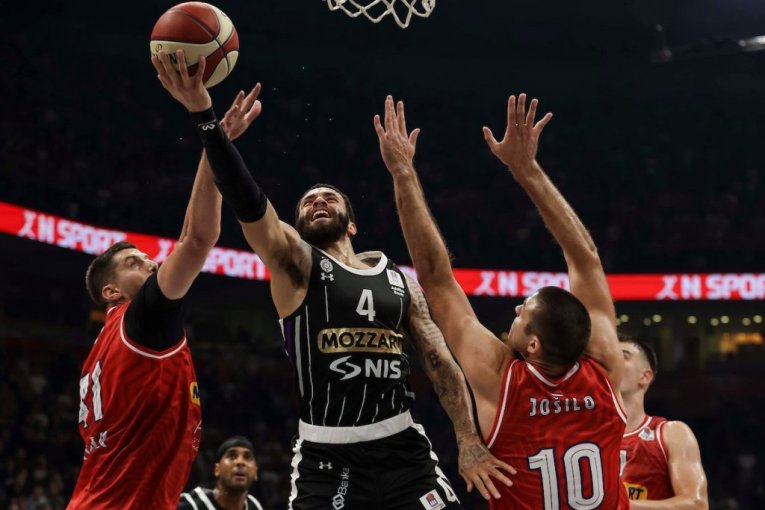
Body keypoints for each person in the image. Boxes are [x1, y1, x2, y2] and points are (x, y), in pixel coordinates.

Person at [152, 51, 516, 509]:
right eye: (308, 201)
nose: (318, 201)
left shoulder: (397, 279)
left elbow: (438, 360)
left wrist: (468, 440)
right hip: (327, 456)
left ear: (352, 224)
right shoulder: (295, 263)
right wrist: (206, 120)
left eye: (329, 198)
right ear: (298, 226)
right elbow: (247, 199)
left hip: (403, 450)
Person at [375, 93, 629, 509]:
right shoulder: (605, 367)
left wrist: (403, 172)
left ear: (534, 344)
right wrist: (528, 170)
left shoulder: (501, 378)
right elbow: (586, 258)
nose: (515, 310)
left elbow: (436, 279)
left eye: (523, 313)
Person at [67, 52, 261, 509]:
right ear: (112, 291)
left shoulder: (108, 343)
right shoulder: (141, 321)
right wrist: (205, 120)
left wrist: (215, 149)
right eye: (136, 263)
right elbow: (197, 238)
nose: (153, 264)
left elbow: (186, 235)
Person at [619, 336, 708, 507]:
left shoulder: (671, 434)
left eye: (623, 356)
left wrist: (622, 505)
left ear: (645, 376)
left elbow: (697, 504)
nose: (612, 363)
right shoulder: (584, 436)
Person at [179, 436, 266, 510]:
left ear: (255, 472)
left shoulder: (255, 507)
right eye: (232, 456)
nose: (240, 462)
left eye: (247, 457)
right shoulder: (191, 504)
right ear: (217, 469)